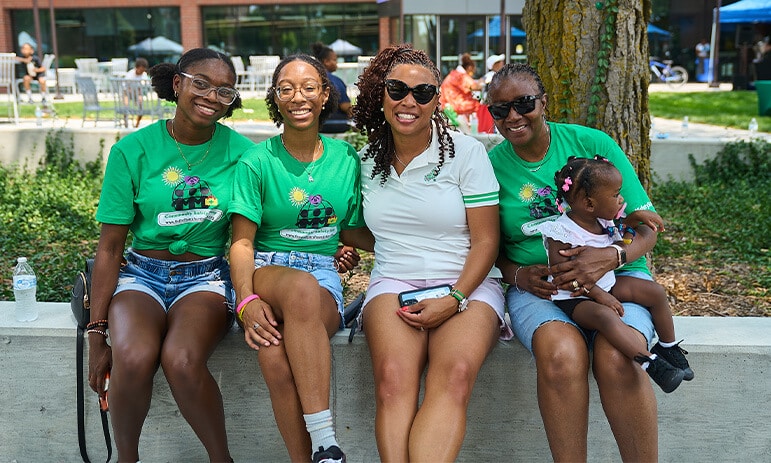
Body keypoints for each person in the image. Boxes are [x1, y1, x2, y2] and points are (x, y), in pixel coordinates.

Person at [487, 62, 662, 461]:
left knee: (618, 354)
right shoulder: (489, 168)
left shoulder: (591, 145)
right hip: (542, 289)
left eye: (523, 103)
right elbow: (486, 245)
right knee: (562, 356)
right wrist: (518, 275)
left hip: (618, 278)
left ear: (543, 103)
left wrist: (612, 256)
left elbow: (646, 227)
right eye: (500, 109)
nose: (513, 116)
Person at [351, 43, 512, 462]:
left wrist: (454, 297)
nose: (409, 101)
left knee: (454, 375)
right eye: (398, 89)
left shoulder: (466, 152)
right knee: (391, 380)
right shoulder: (366, 159)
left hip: (468, 283)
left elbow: (487, 242)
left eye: (423, 93)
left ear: (437, 100)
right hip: (395, 279)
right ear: (380, 94)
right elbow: (363, 230)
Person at [87, 48, 249, 463]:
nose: (212, 96)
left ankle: (222, 460)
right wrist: (95, 334)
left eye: (224, 91)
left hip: (206, 277)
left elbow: (266, 223)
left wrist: (329, 245)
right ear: (177, 84)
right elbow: (109, 247)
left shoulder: (244, 154)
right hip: (141, 275)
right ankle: (127, 459)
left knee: (181, 358)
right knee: (135, 357)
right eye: (201, 84)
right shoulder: (132, 150)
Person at [229, 53, 362, 463]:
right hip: (268, 268)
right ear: (275, 97)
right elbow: (242, 244)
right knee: (299, 288)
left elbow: (350, 229)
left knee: (275, 357)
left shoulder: (346, 159)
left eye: (308, 87)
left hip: (322, 276)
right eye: (286, 88)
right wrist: (246, 301)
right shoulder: (257, 160)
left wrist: (349, 248)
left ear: (326, 95)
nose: (298, 97)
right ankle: (325, 439)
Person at [536, 155, 693, 393]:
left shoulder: (601, 220)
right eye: (615, 195)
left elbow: (622, 235)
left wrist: (636, 218)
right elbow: (563, 279)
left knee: (655, 292)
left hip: (606, 284)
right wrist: (601, 296)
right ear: (589, 203)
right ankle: (648, 362)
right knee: (606, 317)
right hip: (576, 298)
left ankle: (668, 346)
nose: (621, 199)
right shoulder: (561, 232)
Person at [312, 42, 354, 133]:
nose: (336, 64)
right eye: (335, 60)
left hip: (315, 127)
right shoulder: (335, 81)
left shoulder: (311, 80)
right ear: (326, 61)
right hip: (336, 126)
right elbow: (345, 107)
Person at [439, 52, 484, 128]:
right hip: (454, 107)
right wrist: (482, 82)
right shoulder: (461, 76)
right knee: (480, 107)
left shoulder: (454, 74)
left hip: (447, 106)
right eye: (473, 70)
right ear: (470, 68)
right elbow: (475, 87)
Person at [124, 57, 150, 127]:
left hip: (138, 93)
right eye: (140, 70)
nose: (141, 72)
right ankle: (125, 119)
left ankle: (137, 123)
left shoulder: (144, 75)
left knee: (140, 102)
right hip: (129, 92)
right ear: (137, 68)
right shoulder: (130, 74)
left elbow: (144, 87)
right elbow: (126, 87)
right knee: (126, 103)